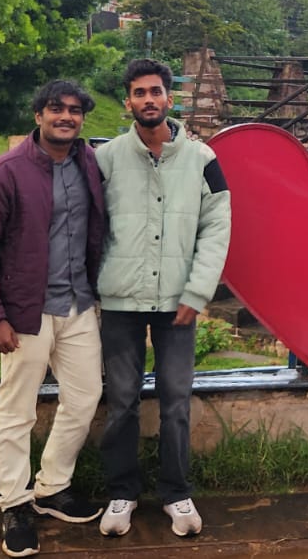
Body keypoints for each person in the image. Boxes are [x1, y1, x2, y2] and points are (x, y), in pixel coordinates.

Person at [0, 80, 106, 558]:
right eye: (55, 109)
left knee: (85, 397)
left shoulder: (88, 163)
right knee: (17, 409)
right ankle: (16, 502)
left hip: (79, 305)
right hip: (25, 312)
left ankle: (53, 487)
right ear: (38, 114)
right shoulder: (4, 172)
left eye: (74, 110)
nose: (65, 117)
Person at [96, 58, 232, 539]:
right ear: (128, 101)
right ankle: (122, 492)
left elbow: (217, 228)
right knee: (122, 400)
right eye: (139, 93)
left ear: (169, 98)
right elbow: (90, 226)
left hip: (179, 300)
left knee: (176, 399)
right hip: (119, 299)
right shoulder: (106, 159)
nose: (148, 100)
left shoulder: (203, 160)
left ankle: (176, 492)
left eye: (156, 91)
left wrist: (198, 291)